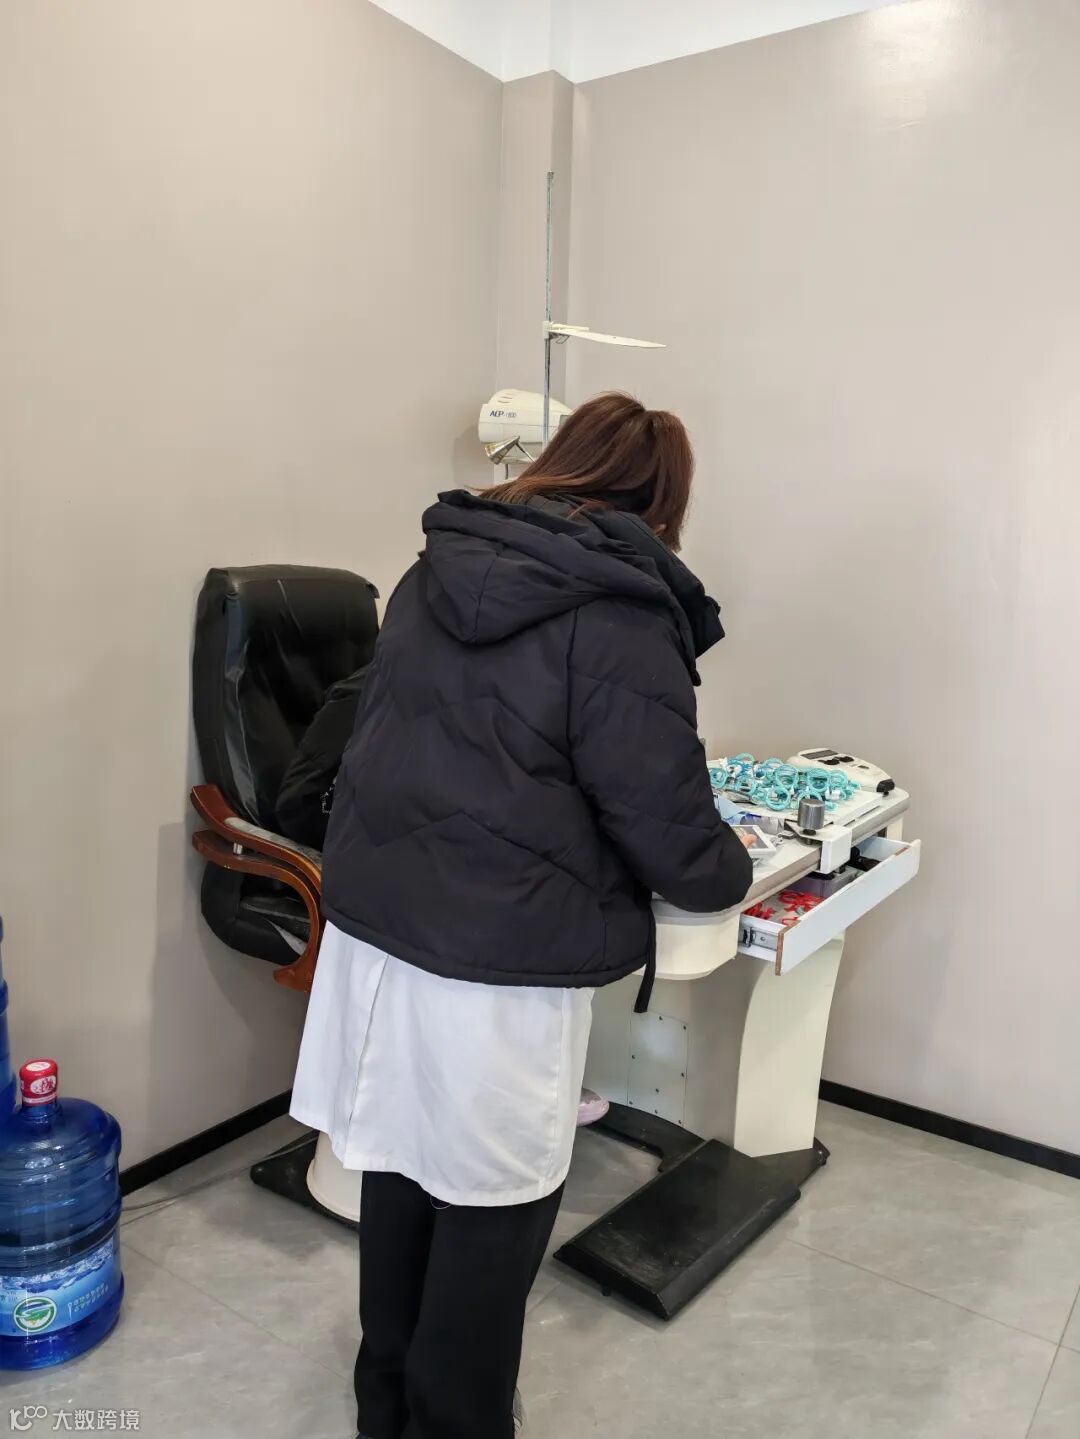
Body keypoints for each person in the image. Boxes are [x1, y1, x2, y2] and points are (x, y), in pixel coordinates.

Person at [290, 392, 753, 1439]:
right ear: (661, 503)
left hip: (378, 934)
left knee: (399, 1169)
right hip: (495, 963)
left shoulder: (432, 568)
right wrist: (733, 867)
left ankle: (386, 1410)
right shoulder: (622, 613)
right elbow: (666, 821)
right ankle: (457, 1419)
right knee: (492, 1213)